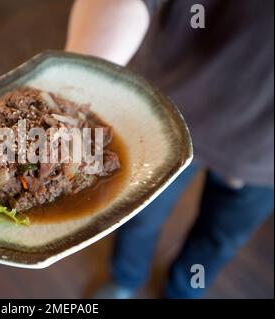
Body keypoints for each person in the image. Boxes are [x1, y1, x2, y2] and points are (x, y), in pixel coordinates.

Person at [66, 0, 274, 298]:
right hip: (168, 113)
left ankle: (183, 290)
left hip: (266, 154)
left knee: (219, 238)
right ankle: (126, 277)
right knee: (138, 215)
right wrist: (73, 88)